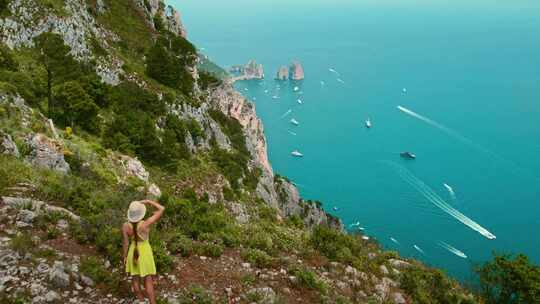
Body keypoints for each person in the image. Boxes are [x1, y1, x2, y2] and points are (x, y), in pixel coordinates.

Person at [122, 199, 165, 304]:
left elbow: (126, 243)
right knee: (148, 281)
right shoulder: (145, 224)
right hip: (144, 252)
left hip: (133, 252)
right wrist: (148, 201)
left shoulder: (125, 226)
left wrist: (124, 256)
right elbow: (162, 209)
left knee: (135, 280)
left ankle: (141, 301)